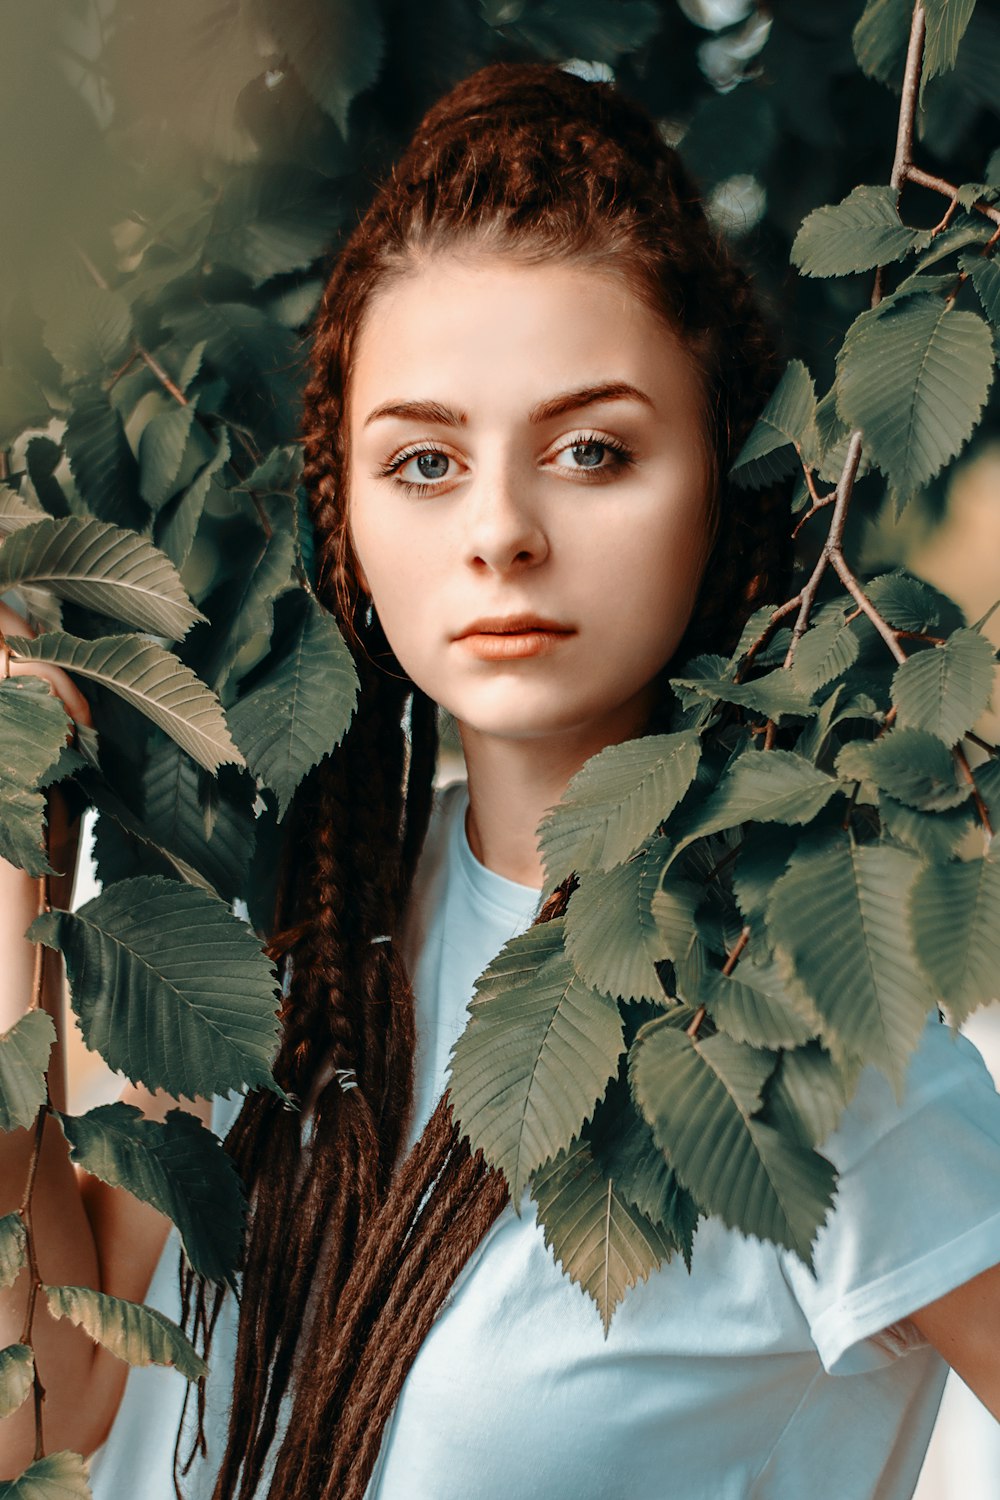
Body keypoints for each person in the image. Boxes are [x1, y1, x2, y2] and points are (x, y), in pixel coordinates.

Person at [2, 60, 1000, 1500]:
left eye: (592, 451)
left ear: (718, 475)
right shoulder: (274, 944)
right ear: (341, 511)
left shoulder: (804, 1023)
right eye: (422, 463)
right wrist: (13, 849)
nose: (502, 533)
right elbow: (42, 1406)